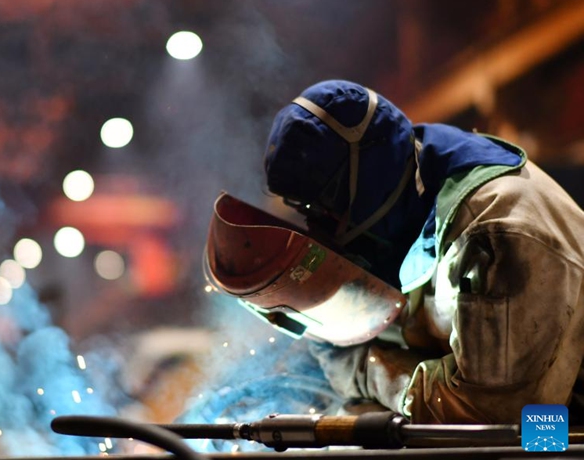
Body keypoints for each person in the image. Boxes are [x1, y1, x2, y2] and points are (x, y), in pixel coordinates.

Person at [207, 79, 584, 424]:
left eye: (323, 207)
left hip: (558, 433)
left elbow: (486, 417)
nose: (317, 227)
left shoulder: (498, 232)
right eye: (304, 210)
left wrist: (365, 369)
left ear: (367, 179)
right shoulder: (402, 200)